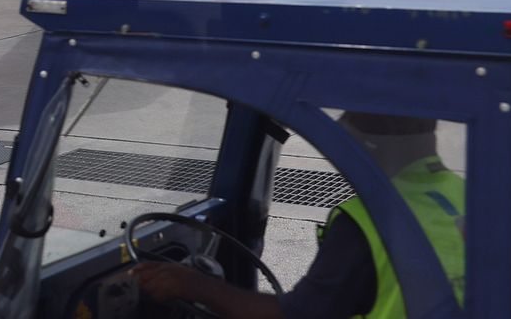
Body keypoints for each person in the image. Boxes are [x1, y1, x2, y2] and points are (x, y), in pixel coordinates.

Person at [132, 112, 465, 319]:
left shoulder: (372, 220)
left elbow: (297, 315)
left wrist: (195, 286)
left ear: (371, 144)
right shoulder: (464, 195)